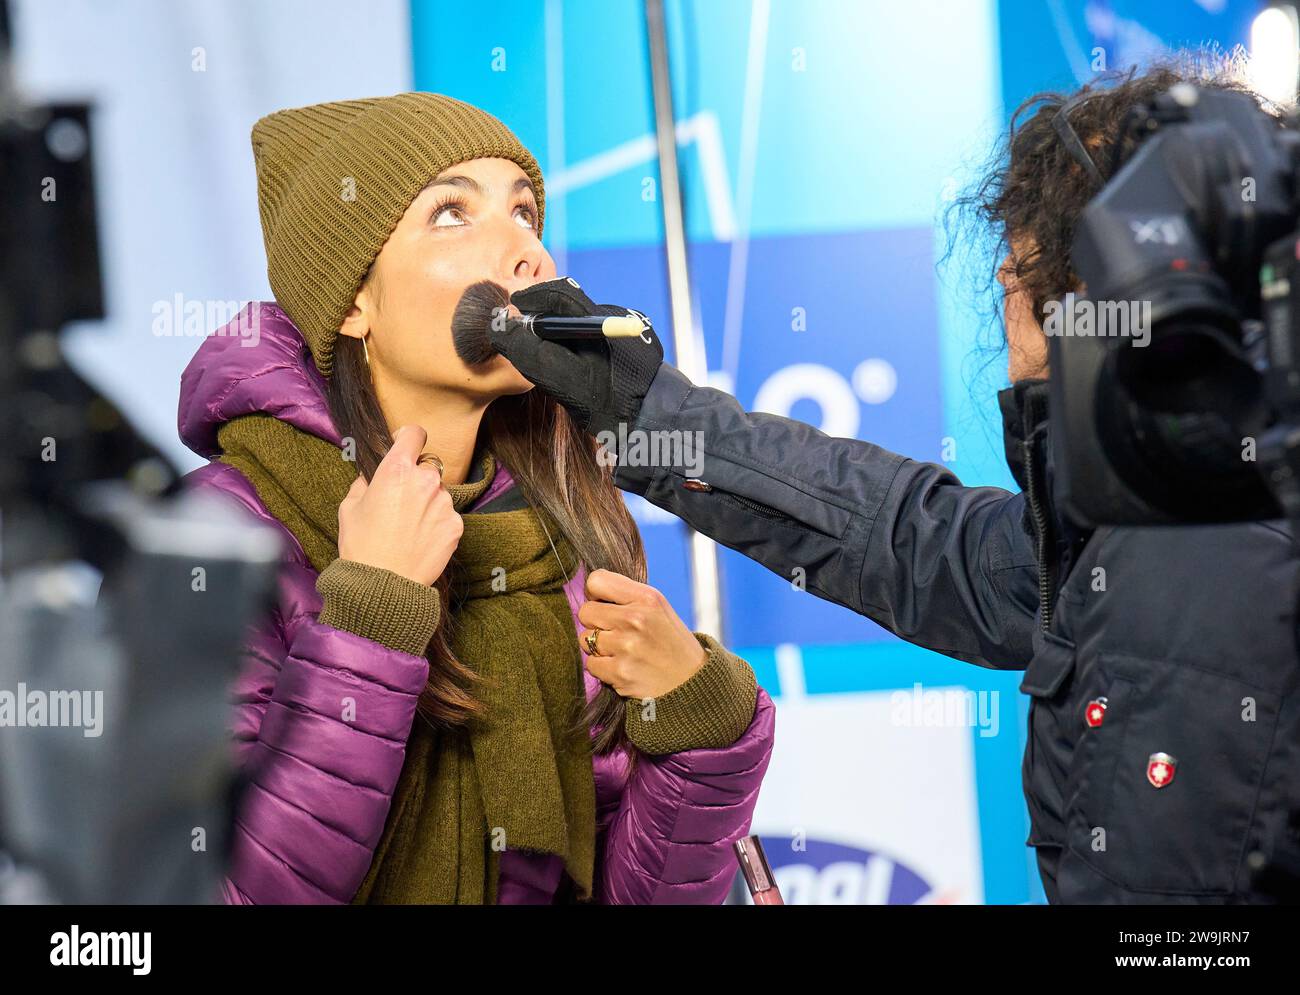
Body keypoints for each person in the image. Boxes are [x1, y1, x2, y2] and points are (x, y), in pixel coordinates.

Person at [491, 61, 1300, 903]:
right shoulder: (1181, 500)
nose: (1002, 281)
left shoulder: (1198, 562)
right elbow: (915, 540)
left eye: (1024, 256)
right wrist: (645, 410)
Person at [176, 92, 775, 905]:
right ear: (354, 303)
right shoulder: (211, 541)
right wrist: (371, 618)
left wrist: (698, 728)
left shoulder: (561, 533)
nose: (525, 251)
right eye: (452, 213)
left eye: (526, 212)